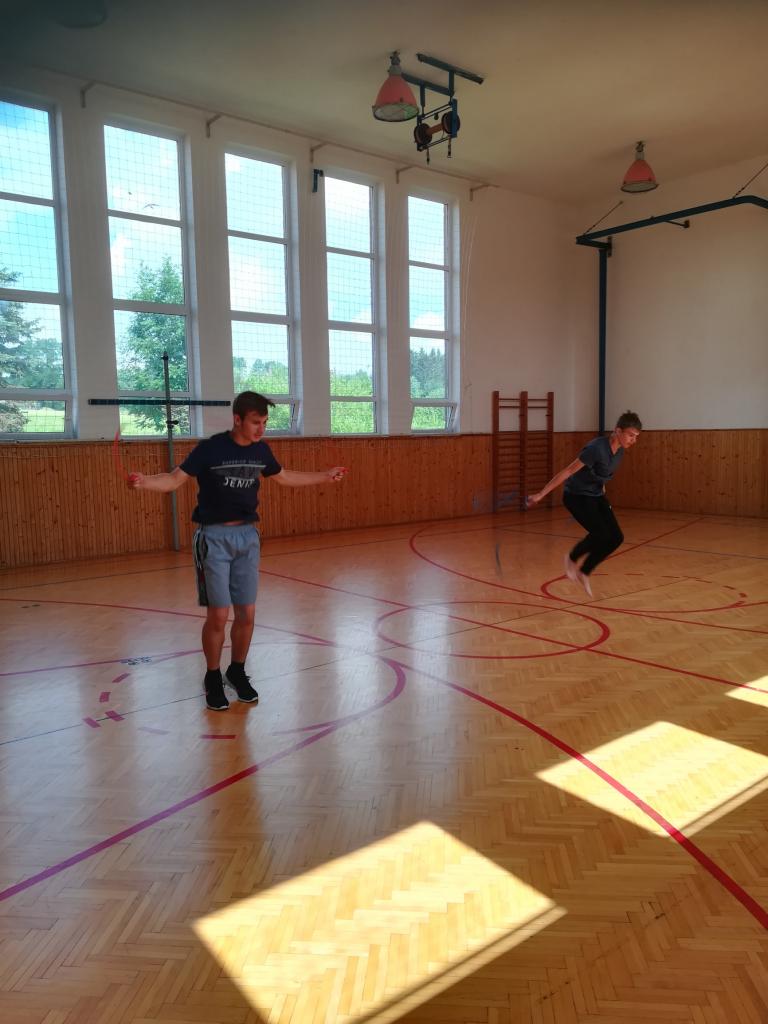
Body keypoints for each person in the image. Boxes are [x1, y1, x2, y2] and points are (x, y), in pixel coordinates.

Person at [128, 391, 347, 710]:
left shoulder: (261, 450)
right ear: (237, 419)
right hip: (213, 538)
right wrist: (144, 481)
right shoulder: (210, 449)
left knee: (247, 613)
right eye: (256, 422)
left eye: (265, 422)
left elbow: (284, 477)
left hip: (247, 537)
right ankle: (212, 677)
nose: (261, 429)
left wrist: (324, 477)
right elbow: (174, 480)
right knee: (218, 615)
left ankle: (237, 671)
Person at [527, 411, 642, 596]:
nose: (633, 440)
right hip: (576, 496)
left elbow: (601, 473)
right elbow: (568, 471)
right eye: (630, 435)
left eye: (636, 436)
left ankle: (585, 570)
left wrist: (602, 491)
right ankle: (572, 558)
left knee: (616, 537)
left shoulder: (619, 452)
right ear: (618, 431)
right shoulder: (596, 448)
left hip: (596, 495)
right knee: (601, 533)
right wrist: (541, 494)